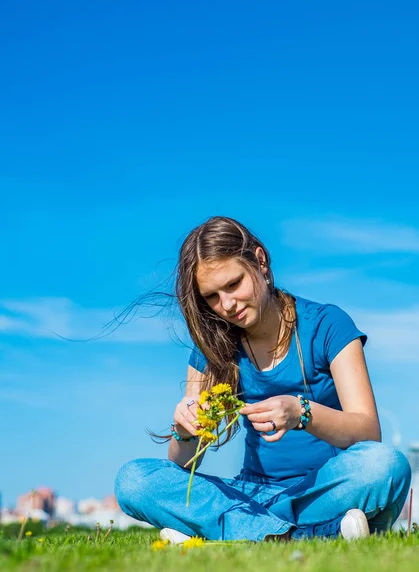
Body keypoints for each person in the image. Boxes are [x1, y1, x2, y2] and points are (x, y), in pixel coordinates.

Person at [115, 216, 411, 542]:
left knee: (385, 465)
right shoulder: (213, 347)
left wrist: (302, 413)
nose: (227, 305)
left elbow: (368, 431)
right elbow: (183, 463)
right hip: (249, 496)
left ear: (260, 261)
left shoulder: (328, 325)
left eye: (233, 284)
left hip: (321, 489)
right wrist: (184, 432)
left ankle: (235, 534)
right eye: (212, 296)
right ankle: (304, 535)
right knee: (132, 480)